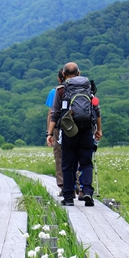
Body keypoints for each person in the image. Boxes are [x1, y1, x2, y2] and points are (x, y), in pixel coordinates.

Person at [46, 62, 102, 207]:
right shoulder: (88, 88)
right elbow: (96, 109)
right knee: (86, 162)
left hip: (68, 131)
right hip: (86, 130)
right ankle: (88, 192)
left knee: (68, 163)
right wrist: (99, 130)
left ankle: (69, 196)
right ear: (79, 73)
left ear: (63, 75)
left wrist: (50, 133)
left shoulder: (60, 91)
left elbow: (55, 113)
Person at [46, 70, 65, 195]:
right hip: (79, 129)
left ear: (59, 79)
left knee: (59, 156)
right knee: (77, 156)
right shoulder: (83, 90)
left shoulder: (55, 91)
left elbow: (51, 113)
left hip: (59, 128)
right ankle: (79, 186)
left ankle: (64, 186)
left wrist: (49, 133)